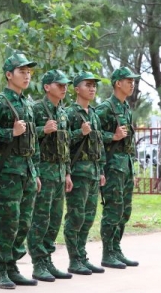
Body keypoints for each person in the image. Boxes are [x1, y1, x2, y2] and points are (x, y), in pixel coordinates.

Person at [0, 53, 42, 289]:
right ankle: (1, 268)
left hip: (27, 172)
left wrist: (36, 172)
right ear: (9, 75)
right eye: (22, 71)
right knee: (8, 222)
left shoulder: (27, 104)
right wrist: (10, 132)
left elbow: (33, 142)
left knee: (24, 222)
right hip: (8, 173)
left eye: (29, 72)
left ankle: (13, 266)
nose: (27, 75)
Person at [28, 69, 73, 282]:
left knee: (54, 219)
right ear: (47, 87)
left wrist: (67, 173)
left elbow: (65, 146)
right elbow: (26, 140)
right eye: (59, 84)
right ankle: (38, 263)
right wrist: (41, 130)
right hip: (44, 172)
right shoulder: (36, 109)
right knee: (41, 219)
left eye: (65, 85)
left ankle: (47, 259)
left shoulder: (62, 112)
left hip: (59, 173)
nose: (64, 88)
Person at [95, 66, 141, 269]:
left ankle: (116, 248)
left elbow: (129, 143)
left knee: (124, 211)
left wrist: (134, 168)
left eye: (133, 81)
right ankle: (107, 253)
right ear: (117, 83)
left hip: (126, 167)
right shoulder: (105, 108)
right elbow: (94, 137)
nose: (132, 84)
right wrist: (111, 136)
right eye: (128, 81)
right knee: (113, 210)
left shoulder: (125, 108)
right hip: (112, 167)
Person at [63, 72, 106, 276]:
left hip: (93, 172)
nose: (92, 89)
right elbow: (62, 144)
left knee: (88, 217)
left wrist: (102, 170)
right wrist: (80, 132)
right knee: (76, 216)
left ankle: (82, 256)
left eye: (94, 86)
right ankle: (74, 259)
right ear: (76, 88)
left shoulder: (94, 114)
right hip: (78, 172)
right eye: (88, 85)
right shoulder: (70, 113)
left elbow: (99, 145)